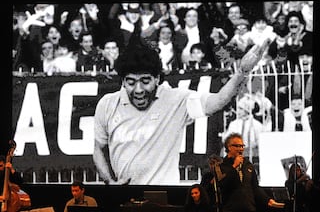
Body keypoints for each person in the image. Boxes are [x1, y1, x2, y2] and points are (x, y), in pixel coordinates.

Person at [93, 36, 270, 185]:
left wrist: (242, 71)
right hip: (124, 198)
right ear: (123, 81)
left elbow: (218, 101)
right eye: (131, 82)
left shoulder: (176, 99)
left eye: (145, 81)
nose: (138, 89)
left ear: (157, 79)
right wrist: (110, 182)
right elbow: (98, 149)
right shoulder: (107, 104)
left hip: (164, 197)